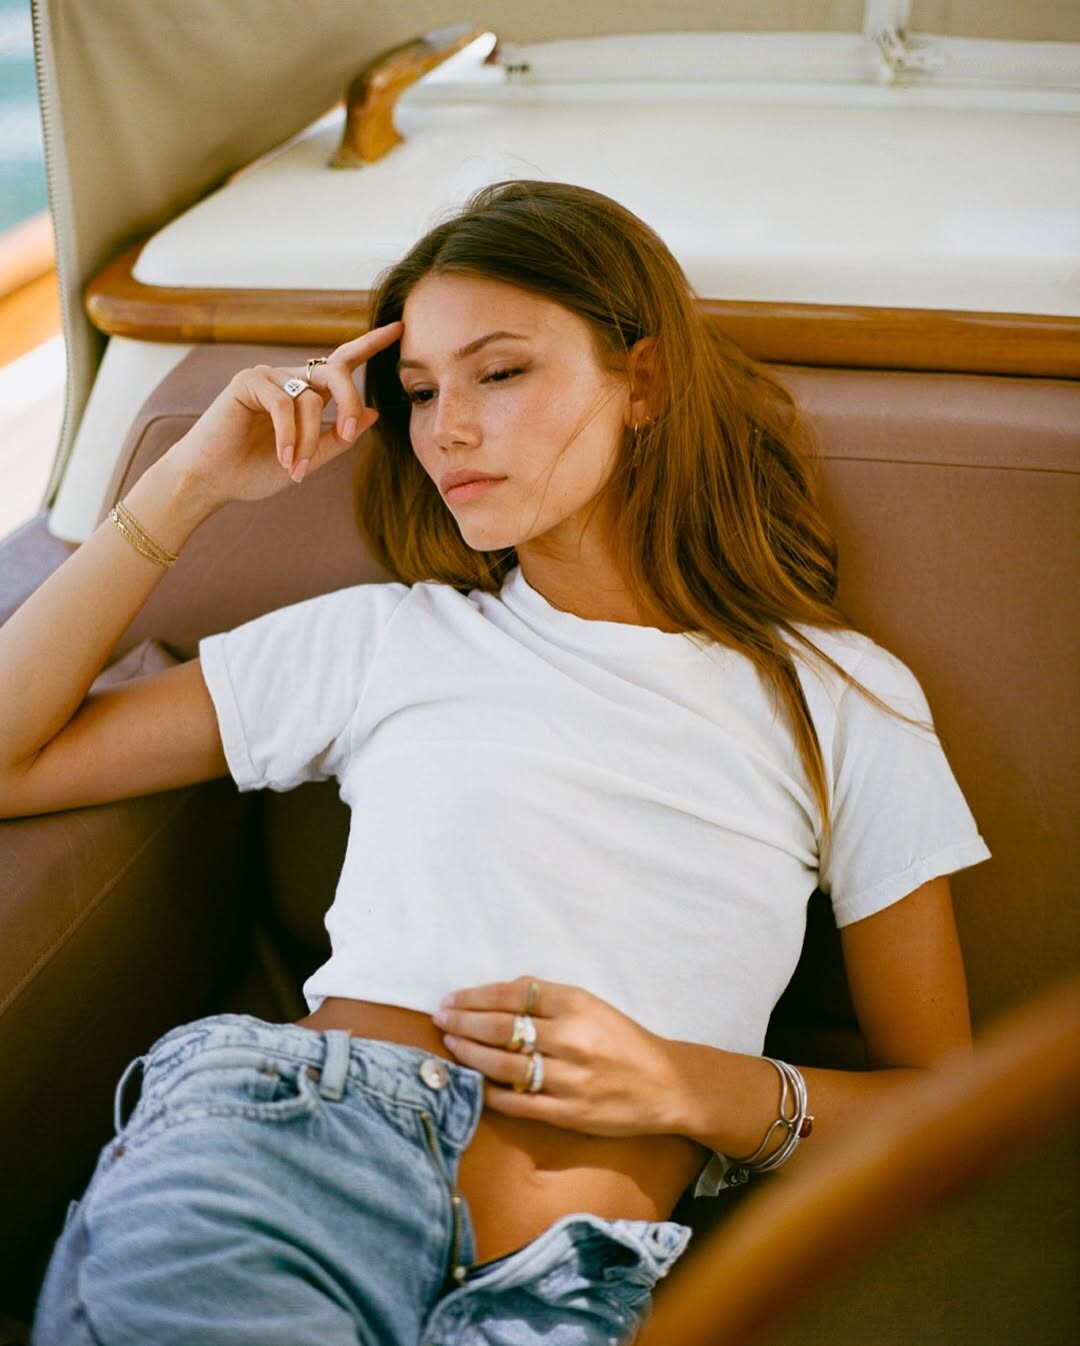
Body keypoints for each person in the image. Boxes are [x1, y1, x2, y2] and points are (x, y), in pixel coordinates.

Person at [2, 180, 988, 1346]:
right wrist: (186, 482)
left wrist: (690, 1084)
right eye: (420, 391)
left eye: (499, 372)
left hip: (569, 1279)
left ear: (645, 381)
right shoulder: (389, 636)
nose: (446, 429)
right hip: (292, 1161)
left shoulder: (844, 698)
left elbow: (950, 1115)